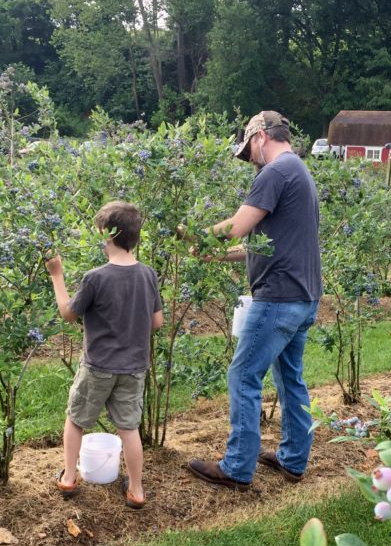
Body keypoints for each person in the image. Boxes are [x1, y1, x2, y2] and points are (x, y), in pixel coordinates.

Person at [187, 111, 322, 490]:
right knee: (289, 377)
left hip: (278, 297)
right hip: (303, 295)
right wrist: (220, 254)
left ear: (261, 136)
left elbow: (236, 227)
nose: (250, 160)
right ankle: (294, 459)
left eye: (249, 151)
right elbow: (267, 244)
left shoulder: (275, 172)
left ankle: (236, 467)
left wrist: (191, 235)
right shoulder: (299, 171)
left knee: (243, 375)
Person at [46, 201, 163, 509]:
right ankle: (136, 490)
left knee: (76, 419)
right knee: (128, 428)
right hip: (134, 367)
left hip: (98, 366)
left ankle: (70, 477)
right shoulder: (148, 275)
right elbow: (157, 322)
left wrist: (56, 275)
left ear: (107, 235)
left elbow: (68, 314)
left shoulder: (95, 277)